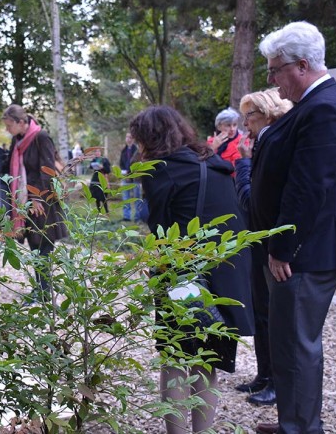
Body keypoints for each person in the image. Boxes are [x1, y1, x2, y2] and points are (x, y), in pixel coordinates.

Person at [251, 21, 336, 434]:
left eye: (275, 70)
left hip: (305, 254)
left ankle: (300, 428)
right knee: (289, 343)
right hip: (301, 251)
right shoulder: (313, 105)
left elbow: (310, 187)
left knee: (297, 346)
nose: (272, 81)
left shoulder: (326, 108)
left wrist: (283, 247)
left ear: (301, 66)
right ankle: (293, 423)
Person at [130, 105, 254, 434]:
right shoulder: (212, 164)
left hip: (181, 275)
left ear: (149, 138)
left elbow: (160, 229)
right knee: (206, 360)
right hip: (222, 274)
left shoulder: (161, 170)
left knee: (174, 359)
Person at [233, 88, 293, 407]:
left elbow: (250, 201)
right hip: (261, 242)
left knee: (271, 314)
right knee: (261, 312)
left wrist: (242, 165)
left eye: (250, 117)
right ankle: (264, 374)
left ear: (268, 113)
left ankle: (274, 381)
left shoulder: (270, 141)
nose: (245, 125)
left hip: (268, 241)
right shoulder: (264, 140)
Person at [1, 104, 68, 301]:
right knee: (34, 245)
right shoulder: (17, 140)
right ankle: (40, 289)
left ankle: (44, 292)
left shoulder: (41, 137)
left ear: (21, 123)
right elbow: (9, 167)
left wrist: (37, 197)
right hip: (24, 203)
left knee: (43, 246)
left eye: (9, 125)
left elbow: (46, 169)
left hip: (42, 203)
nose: (7, 129)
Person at [119, 132, 140, 221]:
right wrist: (124, 174)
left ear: (133, 139)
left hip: (135, 177)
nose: (128, 139)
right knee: (125, 198)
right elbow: (121, 163)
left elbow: (137, 164)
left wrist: (130, 174)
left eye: (130, 137)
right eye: (127, 137)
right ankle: (126, 216)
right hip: (125, 177)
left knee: (136, 198)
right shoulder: (124, 150)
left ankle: (137, 217)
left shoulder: (137, 150)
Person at [88, 148, 111, 214]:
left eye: (98, 151)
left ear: (101, 152)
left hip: (102, 178)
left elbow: (108, 170)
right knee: (95, 196)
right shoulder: (94, 159)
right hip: (95, 178)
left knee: (103, 197)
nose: (97, 153)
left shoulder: (104, 160)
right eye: (95, 151)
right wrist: (92, 163)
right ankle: (99, 212)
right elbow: (90, 166)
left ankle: (107, 212)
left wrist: (102, 167)